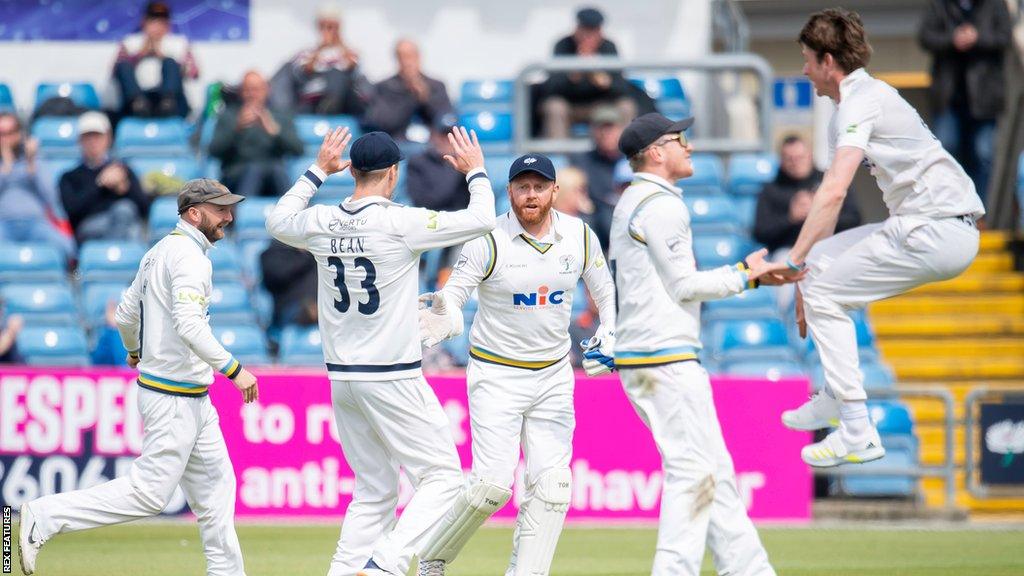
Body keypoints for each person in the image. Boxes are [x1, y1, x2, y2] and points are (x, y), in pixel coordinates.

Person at [265, 126, 496, 576]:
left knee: (374, 489)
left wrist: (315, 171)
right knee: (444, 479)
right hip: (392, 375)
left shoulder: (321, 221)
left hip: (343, 379)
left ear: (350, 169)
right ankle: (385, 565)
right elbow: (483, 219)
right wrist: (477, 172)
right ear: (393, 174)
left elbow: (275, 221)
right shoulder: (400, 222)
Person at [766, 9, 984, 467]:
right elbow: (827, 215)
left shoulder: (861, 100)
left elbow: (835, 189)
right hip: (934, 224)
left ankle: (858, 431)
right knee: (820, 273)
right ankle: (834, 394)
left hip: (936, 227)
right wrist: (806, 270)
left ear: (828, 61)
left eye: (807, 59)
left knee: (822, 288)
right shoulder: (853, 105)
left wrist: (793, 262)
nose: (803, 69)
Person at [18, 179, 259, 576]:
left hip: (191, 397)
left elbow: (127, 315)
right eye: (220, 210)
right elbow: (189, 326)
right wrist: (235, 370)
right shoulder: (189, 258)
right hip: (174, 397)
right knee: (149, 494)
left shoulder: (157, 252)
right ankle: (42, 517)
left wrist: (134, 350)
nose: (229, 217)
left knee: (217, 494)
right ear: (194, 214)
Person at [415, 154, 616, 576]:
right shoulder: (488, 239)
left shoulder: (579, 236)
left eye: (539, 187)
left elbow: (604, 288)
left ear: (554, 191)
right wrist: (446, 313)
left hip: (553, 374)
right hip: (496, 374)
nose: (531, 195)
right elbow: (456, 292)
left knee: (554, 487)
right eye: (522, 187)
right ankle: (433, 559)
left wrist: (609, 332)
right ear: (510, 192)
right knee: (490, 487)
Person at [609, 112, 783, 576]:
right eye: (679, 138)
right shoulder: (660, 204)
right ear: (656, 152)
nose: (689, 145)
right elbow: (684, 285)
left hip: (653, 355)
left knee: (715, 472)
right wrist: (746, 276)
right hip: (661, 356)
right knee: (693, 473)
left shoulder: (640, 200)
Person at [918, 0, 1011, 205]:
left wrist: (977, 38)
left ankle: (977, 213)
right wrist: (953, 39)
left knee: (983, 154)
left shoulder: (994, 4)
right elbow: (925, 37)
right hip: (948, 97)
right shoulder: (939, 4)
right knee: (946, 151)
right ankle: (952, 209)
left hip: (984, 97)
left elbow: (1005, 37)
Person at [752, 135, 860, 256]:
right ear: (781, 160)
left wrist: (822, 214)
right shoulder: (771, 189)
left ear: (810, 155)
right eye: (789, 158)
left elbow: (854, 220)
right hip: (788, 251)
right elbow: (760, 233)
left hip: (829, 248)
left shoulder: (831, 182)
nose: (795, 163)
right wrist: (790, 218)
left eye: (800, 157)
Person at [541, 7, 638, 138]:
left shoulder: (608, 47)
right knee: (554, 107)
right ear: (577, 29)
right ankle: (559, 157)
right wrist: (574, 74)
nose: (589, 37)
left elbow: (621, 87)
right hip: (571, 105)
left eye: (594, 31)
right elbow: (552, 87)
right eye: (585, 30)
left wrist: (603, 80)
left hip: (602, 105)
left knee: (626, 106)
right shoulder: (563, 45)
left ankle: (624, 154)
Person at [209, 71, 304, 198]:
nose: (252, 94)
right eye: (247, 90)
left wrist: (275, 131)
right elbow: (214, 151)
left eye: (256, 90)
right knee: (254, 170)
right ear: (241, 92)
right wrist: (236, 129)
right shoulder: (229, 116)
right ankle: (242, 213)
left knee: (277, 170)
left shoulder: (280, 116)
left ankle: (293, 212)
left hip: (273, 174)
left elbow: (298, 150)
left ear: (267, 90)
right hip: (238, 174)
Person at [59, 111, 150, 244]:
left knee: (127, 216)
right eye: (87, 137)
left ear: (108, 138)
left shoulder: (122, 170)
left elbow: (144, 208)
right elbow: (72, 211)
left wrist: (125, 188)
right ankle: (118, 257)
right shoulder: (70, 176)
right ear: (80, 140)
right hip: (89, 228)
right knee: (125, 215)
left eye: (97, 136)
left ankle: (115, 255)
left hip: (126, 225)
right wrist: (100, 183)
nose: (93, 142)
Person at [269, 4, 372, 116]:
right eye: (325, 26)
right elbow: (303, 73)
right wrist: (321, 49)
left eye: (333, 27)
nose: (329, 31)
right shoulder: (306, 53)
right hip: (313, 100)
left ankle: (332, 104)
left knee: (337, 75)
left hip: (343, 100)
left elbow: (356, 72)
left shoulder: (350, 52)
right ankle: (327, 105)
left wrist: (341, 46)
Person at [0, 112, 76, 260]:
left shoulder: (36, 161)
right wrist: (6, 168)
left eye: (10, 132)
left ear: (20, 134)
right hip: (3, 224)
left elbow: (51, 196)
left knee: (68, 248)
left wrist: (32, 164)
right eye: (2, 134)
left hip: (35, 223)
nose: (6, 139)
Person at [112, 1, 198, 118]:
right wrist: (140, 54)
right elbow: (115, 72)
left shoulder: (179, 43)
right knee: (124, 66)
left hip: (172, 101)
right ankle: (138, 103)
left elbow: (194, 73)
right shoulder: (130, 43)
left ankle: (167, 102)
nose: (157, 24)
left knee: (170, 62)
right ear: (144, 22)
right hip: (140, 100)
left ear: (168, 23)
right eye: (153, 20)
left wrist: (161, 55)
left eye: (162, 21)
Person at [364, 39, 454, 139]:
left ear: (419, 56)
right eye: (402, 57)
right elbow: (384, 122)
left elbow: (445, 120)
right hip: (398, 142)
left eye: (411, 56)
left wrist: (425, 98)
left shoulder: (437, 85)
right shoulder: (385, 87)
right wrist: (409, 96)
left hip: (432, 144)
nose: (407, 62)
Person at [569, 105, 625, 244]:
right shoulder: (580, 161)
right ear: (593, 131)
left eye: (610, 127)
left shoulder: (633, 159)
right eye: (601, 127)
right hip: (595, 220)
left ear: (621, 130)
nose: (606, 133)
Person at [406, 116, 470, 212]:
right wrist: (453, 167)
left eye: (452, 136)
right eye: (443, 135)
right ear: (432, 136)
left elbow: (480, 198)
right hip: (431, 219)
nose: (448, 140)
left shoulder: (467, 162)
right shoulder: (418, 162)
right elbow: (421, 202)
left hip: (463, 219)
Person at [260, 239, 319, 328]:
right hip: (290, 309)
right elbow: (277, 275)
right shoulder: (275, 252)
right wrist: (304, 255)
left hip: (320, 305)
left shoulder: (321, 254)